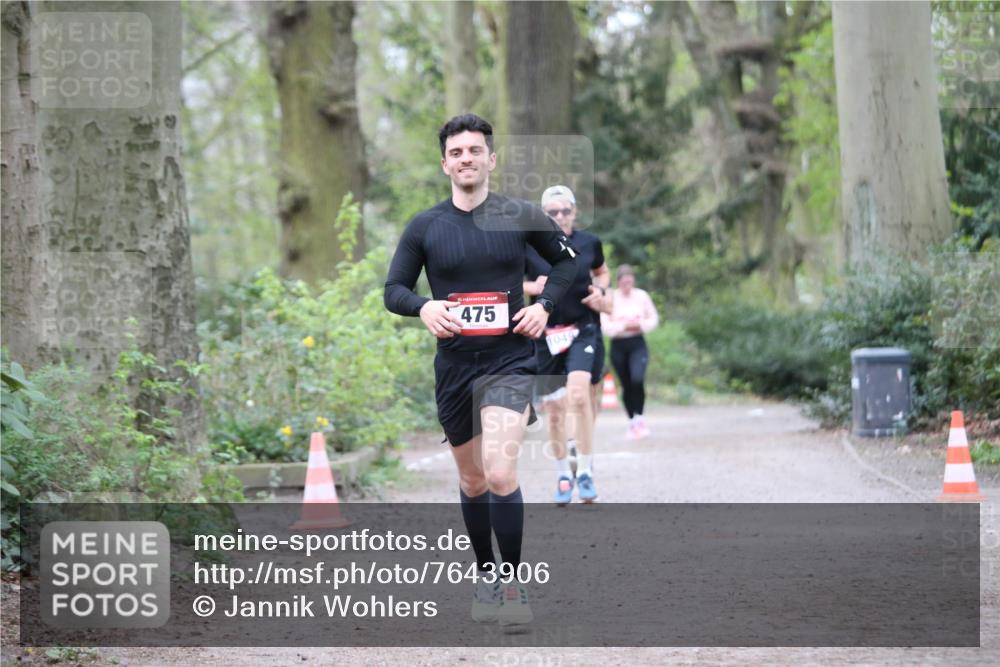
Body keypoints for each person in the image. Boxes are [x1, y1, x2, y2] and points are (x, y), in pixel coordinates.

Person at [384, 114, 577, 627]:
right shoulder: (426, 226)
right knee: (472, 482)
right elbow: (393, 291)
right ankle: (486, 573)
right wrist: (423, 307)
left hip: (509, 362)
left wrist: (545, 307)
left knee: (499, 471)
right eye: (456, 152)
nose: (466, 158)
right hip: (453, 369)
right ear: (444, 162)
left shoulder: (520, 215)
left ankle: (513, 586)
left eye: (475, 150)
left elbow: (566, 264)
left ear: (491, 159)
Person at [523, 185, 610, 505]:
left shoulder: (589, 242)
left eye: (565, 211)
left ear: (574, 212)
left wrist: (601, 291)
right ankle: (564, 476)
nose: (560, 217)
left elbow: (602, 271)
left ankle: (585, 472)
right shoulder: (530, 247)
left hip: (582, 328)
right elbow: (512, 282)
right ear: (543, 215)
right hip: (546, 333)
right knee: (555, 411)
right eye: (552, 212)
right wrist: (534, 285)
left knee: (578, 392)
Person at [601, 265, 658, 439]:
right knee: (626, 384)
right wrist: (623, 325)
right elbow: (606, 326)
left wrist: (640, 325)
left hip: (637, 343)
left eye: (630, 281)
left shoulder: (641, 296)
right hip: (618, 344)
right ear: (618, 282)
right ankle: (631, 421)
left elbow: (653, 318)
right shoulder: (611, 298)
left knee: (637, 379)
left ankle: (640, 417)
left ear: (633, 280)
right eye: (624, 282)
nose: (627, 284)